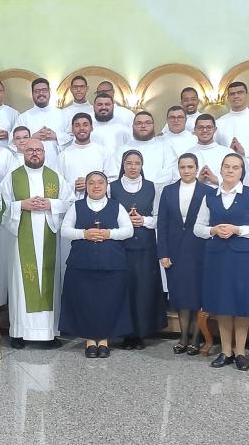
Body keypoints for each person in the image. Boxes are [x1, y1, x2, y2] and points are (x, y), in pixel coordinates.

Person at [194, 153, 249, 371]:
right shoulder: (210, 196)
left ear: (241, 172)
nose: (230, 170)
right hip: (218, 256)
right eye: (227, 166)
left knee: (242, 304)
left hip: (244, 258)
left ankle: (240, 353)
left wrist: (238, 230)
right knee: (223, 304)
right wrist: (213, 230)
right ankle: (226, 352)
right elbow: (198, 228)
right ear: (221, 169)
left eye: (235, 167)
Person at [0, 139, 73, 348]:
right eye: (30, 150)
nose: (34, 153)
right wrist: (21, 205)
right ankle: (19, 332)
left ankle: (49, 333)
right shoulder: (12, 178)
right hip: (20, 239)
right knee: (20, 284)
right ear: (23, 152)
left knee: (49, 281)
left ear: (44, 153)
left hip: (49, 238)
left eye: (38, 150)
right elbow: (0, 206)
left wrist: (51, 204)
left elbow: (69, 203)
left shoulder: (55, 177)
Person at [58, 171, 134, 358]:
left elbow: (128, 230)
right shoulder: (77, 206)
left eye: (100, 182)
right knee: (86, 302)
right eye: (91, 183)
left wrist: (109, 234)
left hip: (112, 264)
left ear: (107, 186)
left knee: (108, 302)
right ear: (87, 186)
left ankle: (104, 341)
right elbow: (64, 230)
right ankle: (90, 341)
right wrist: (84, 234)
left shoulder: (116, 206)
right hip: (82, 264)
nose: (96, 186)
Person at [109, 150, 167, 349]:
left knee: (143, 289)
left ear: (142, 166)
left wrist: (143, 220)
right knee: (124, 289)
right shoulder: (112, 187)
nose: (133, 167)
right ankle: (125, 333)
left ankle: (141, 332)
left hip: (145, 247)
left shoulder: (152, 187)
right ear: (123, 165)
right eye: (129, 163)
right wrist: (125, 221)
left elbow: (160, 217)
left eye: (137, 163)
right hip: (121, 247)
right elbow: (107, 214)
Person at [158, 153, 213, 355]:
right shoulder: (168, 191)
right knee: (180, 294)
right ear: (178, 169)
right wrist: (163, 253)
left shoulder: (208, 191)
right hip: (175, 250)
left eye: (190, 167)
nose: (187, 170)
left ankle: (196, 339)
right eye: (183, 167)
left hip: (199, 249)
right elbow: (162, 223)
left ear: (197, 169)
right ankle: (183, 338)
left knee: (197, 295)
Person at [105, 111, 177, 191]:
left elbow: (170, 172)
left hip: (158, 192)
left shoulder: (165, 147)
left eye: (147, 123)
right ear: (133, 126)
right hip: (126, 193)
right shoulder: (122, 150)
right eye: (139, 123)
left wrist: (150, 188)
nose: (143, 126)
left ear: (153, 125)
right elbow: (114, 174)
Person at [15, 78, 64, 168]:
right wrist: (32, 138)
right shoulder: (23, 117)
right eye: (37, 91)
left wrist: (56, 136)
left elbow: (72, 138)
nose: (41, 93)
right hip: (31, 164)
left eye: (44, 90)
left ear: (49, 92)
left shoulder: (62, 114)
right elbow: (13, 142)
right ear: (32, 94)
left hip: (56, 162)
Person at [56, 113, 107, 199]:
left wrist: (91, 184)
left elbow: (111, 179)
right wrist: (74, 185)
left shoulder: (103, 152)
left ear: (91, 128)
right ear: (72, 129)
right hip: (72, 202)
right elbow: (58, 182)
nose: (81, 128)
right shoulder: (63, 156)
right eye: (77, 125)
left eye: (85, 125)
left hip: (98, 201)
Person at [186, 114, 232, 188]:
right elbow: (181, 182)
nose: (204, 130)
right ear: (195, 130)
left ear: (215, 129)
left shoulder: (228, 153)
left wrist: (216, 180)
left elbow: (237, 180)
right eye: (200, 127)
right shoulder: (187, 154)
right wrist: (197, 181)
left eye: (209, 127)